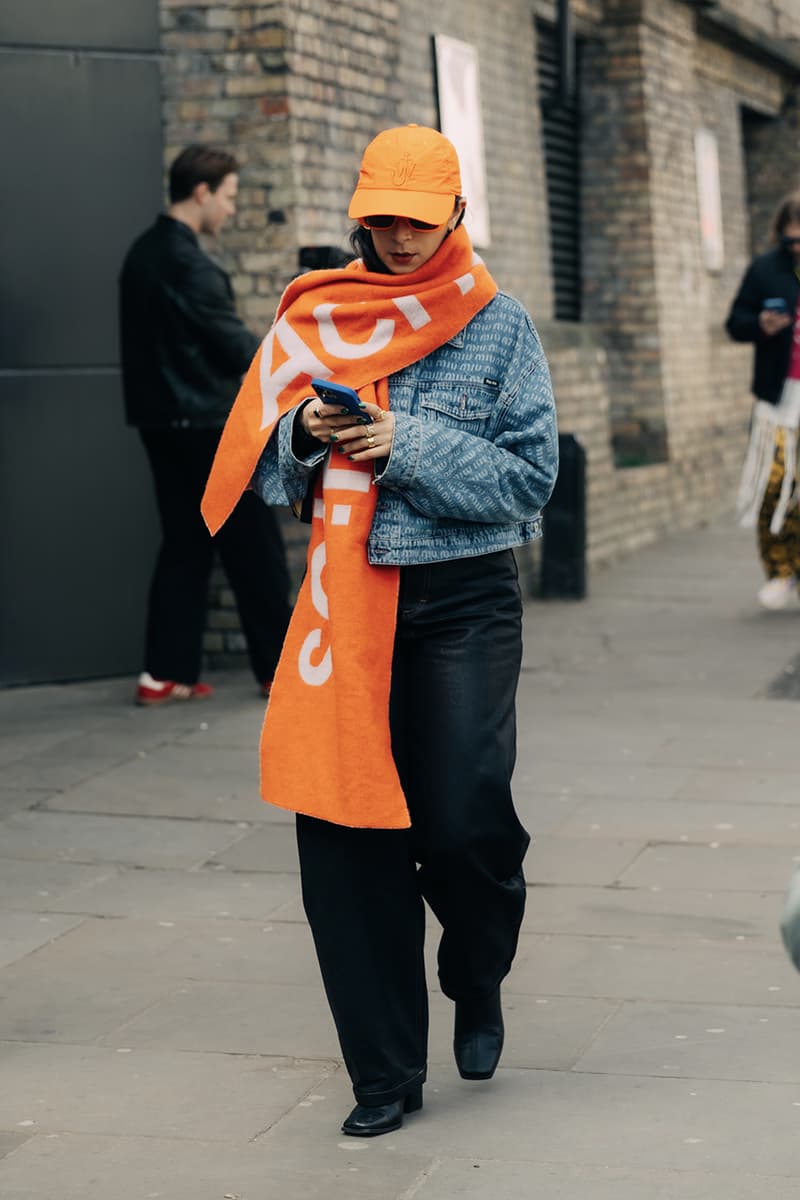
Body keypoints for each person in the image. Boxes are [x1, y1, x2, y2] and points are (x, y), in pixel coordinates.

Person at [201, 125, 558, 1135]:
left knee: (464, 823)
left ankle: (476, 970)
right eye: (381, 218)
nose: (399, 239)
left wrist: (405, 443)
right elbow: (263, 466)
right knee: (347, 830)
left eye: (418, 217)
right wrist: (302, 438)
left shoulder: (497, 324)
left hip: (462, 601)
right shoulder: (320, 315)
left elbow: (528, 481)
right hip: (345, 602)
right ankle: (384, 1074)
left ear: (454, 213)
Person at [119, 144, 292, 705]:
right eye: (230, 197)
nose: (232, 210)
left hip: (159, 424)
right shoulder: (190, 263)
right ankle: (279, 672)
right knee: (255, 548)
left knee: (185, 543)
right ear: (202, 192)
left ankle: (163, 675)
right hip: (208, 427)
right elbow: (233, 346)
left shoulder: (140, 255)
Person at [726, 192, 800, 610]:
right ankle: (780, 571)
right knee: (775, 486)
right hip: (779, 398)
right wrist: (762, 324)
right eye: (793, 241)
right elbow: (734, 323)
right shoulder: (765, 270)